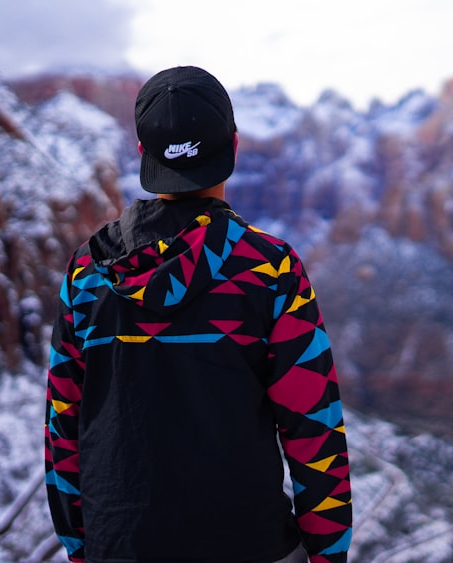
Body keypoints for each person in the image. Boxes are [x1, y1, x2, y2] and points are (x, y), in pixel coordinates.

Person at [44, 66, 351, 563]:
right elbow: (313, 426)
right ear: (233, 147)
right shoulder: (270, 269)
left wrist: (82, 544)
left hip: (118, 545)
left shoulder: (88, 271)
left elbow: (64, 421)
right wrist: (328, 553)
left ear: (144, 156)